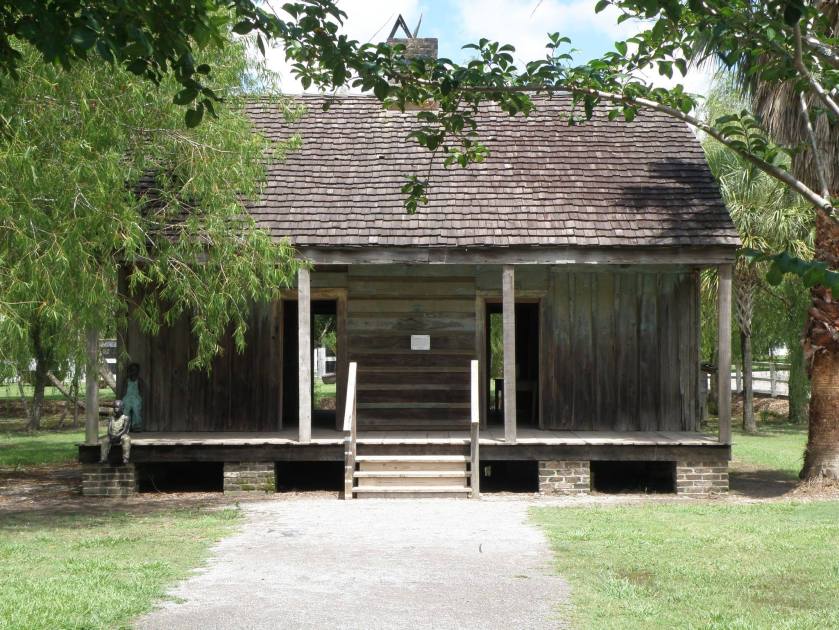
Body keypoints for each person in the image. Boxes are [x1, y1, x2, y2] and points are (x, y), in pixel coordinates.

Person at [122, 362, 144, 432]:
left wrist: (141, 399)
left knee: (136, 413)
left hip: (136, 398)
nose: (134, 372)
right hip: (127, 398)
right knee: (126, 413)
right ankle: (126, 427)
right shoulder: (126, 380)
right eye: (132, 370)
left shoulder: (139, 380)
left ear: (138, 371)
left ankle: (136, 427)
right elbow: (123, 390)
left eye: (135, 370)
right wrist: (122, 399)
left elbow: (142, 391)